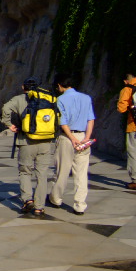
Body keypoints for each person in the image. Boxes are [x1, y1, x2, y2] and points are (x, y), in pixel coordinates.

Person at [1, 77, 54, 216]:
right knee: (42, 174)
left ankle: (27, 199)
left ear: (23, 87)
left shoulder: (19, 99)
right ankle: (39, 207)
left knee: (25, 171)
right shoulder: (47, 98)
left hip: (26, 141)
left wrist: (8, 124)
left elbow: (5, 108)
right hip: (45, 140)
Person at [48, 73, 95, 215]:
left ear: (59, 85)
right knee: (81, 173)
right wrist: (87, 137)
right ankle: (80, 205)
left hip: (67, 138)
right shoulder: (86, 98)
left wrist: (71, 138)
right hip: (83, 136)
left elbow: (63, 121)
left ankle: (56, 199)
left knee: (62, 171)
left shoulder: (60, 99)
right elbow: (91, 119)